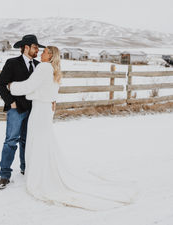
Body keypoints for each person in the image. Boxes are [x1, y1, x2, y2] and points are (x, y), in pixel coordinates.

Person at [9, 46, 133, 211]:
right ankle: (42, 171)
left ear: (51, 55)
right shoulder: (53, 69)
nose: (41, 53)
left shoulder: (43, 67)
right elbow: (50, 91)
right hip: (47, 110)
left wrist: (11, 86)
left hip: (39, 110)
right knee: (44, 141)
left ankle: (39, 176)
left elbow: (29, 86)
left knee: (37, 141)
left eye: (45, 52)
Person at [0, 34, 45, 190]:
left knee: (27, 141)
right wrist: (11, 102)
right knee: (11, 141)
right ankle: (4, 175)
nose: (38, 50)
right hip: (16, 110)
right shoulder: (12, 63)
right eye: (35, 47)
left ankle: (25, 169)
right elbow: (0, 84)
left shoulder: (39, 66)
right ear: (26, 47)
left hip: (33, 110)